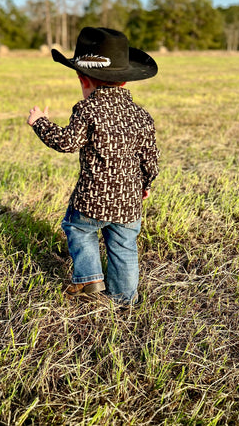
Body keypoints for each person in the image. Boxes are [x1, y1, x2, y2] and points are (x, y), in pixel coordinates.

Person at [27, 27, 160, 305]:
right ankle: (124, 299)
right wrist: (145, 185)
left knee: (78, 229)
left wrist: (40, 122)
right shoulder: (142, 115)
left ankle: (89, 279)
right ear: (124, 82)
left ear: (82, 79)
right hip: (128, 201)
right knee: (124, 247)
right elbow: (150, 158)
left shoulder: (87, 110)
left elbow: (66, 142)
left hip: (91, 200)